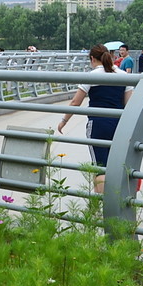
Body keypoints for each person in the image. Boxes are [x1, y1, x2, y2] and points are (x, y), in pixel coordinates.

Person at [56, 44, 133, 194]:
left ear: (92, 58)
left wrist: (64, 121)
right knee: (115, 164)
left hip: (98, 124)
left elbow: (75, 102)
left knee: (100, 166)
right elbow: (129, 104)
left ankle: (101, 206)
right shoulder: (123, 75)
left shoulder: (92, 75)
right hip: (119, 124)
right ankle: (111, 203)